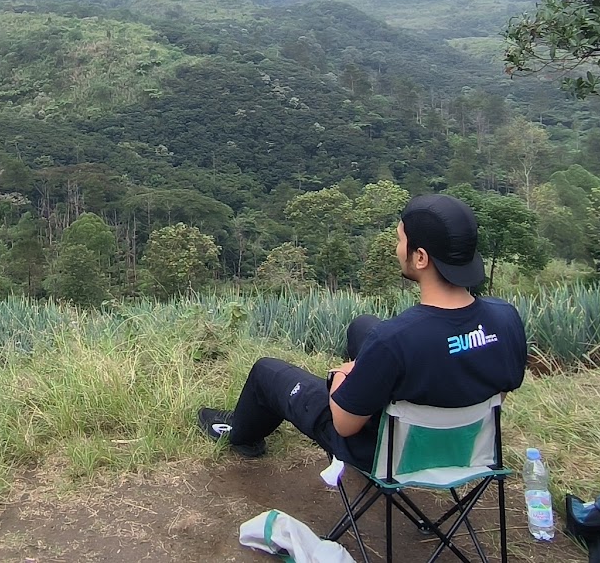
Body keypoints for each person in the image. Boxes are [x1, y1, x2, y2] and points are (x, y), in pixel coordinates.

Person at [198, 194, 527, 470]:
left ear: (420, 258)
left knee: (266, 371)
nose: (397, 248)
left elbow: (344, 425)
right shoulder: (505, 318)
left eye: (400, 240)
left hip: (386, 455)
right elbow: (497, 394)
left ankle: (240, 434)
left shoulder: (396, 339)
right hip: (465, 448)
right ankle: (378, 394)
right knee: (362, 326)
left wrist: (344, 375)